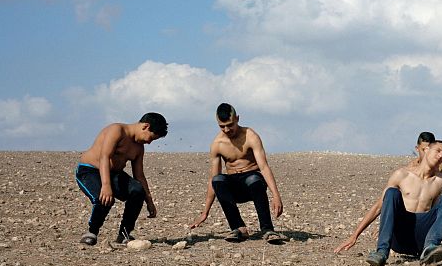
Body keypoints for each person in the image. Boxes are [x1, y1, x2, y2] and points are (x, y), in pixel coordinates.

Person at [334, 140, 442, 266]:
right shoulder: (402, 174)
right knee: (391, 192)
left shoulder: (440, 181)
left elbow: (437, 214)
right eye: (437, 151)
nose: (440, 156)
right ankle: (381, 252)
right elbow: (379, 207)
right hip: (401, 236)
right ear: (426, 150)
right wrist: (354, 236)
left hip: (422, 238)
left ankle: (430, 248)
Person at [189, 103, 285, 243]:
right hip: (234, 187)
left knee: (254, 178)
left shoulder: (250, 136)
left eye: (230, 125)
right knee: (218, 180)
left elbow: (263, 167)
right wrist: (205, 212)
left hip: (253, 183)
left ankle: (267, 229)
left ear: (237, 119)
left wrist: (276, 195)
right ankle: (238, 228)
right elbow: (213, 179)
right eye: (222, 126)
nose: (227, 129)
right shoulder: (217, 144)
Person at [75, 113, 168, 245]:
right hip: (89, 170)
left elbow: (139, 175)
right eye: (150, 138)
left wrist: (149, 201)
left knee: (137, 190)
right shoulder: (117, 130)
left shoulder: (138, 148)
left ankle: (124, 234)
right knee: (103, 198)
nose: (149, 142)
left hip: (114, 174)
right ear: (145, 126)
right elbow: (104, 157)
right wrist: (106, 186)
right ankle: (92, 232)